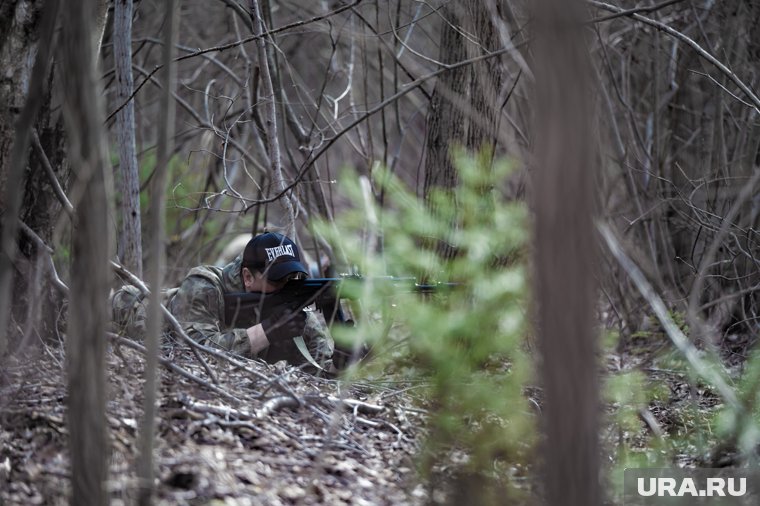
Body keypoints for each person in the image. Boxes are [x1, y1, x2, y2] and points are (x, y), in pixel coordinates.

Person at [167, 232, 335, 371]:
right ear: (248, 277)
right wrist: (268, 331)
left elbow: (321, 369)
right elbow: (193, 352)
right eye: (276, 280)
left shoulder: (290, 299)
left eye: (292, 278)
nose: (286, 287)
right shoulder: (203, 285)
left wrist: (340, 362)